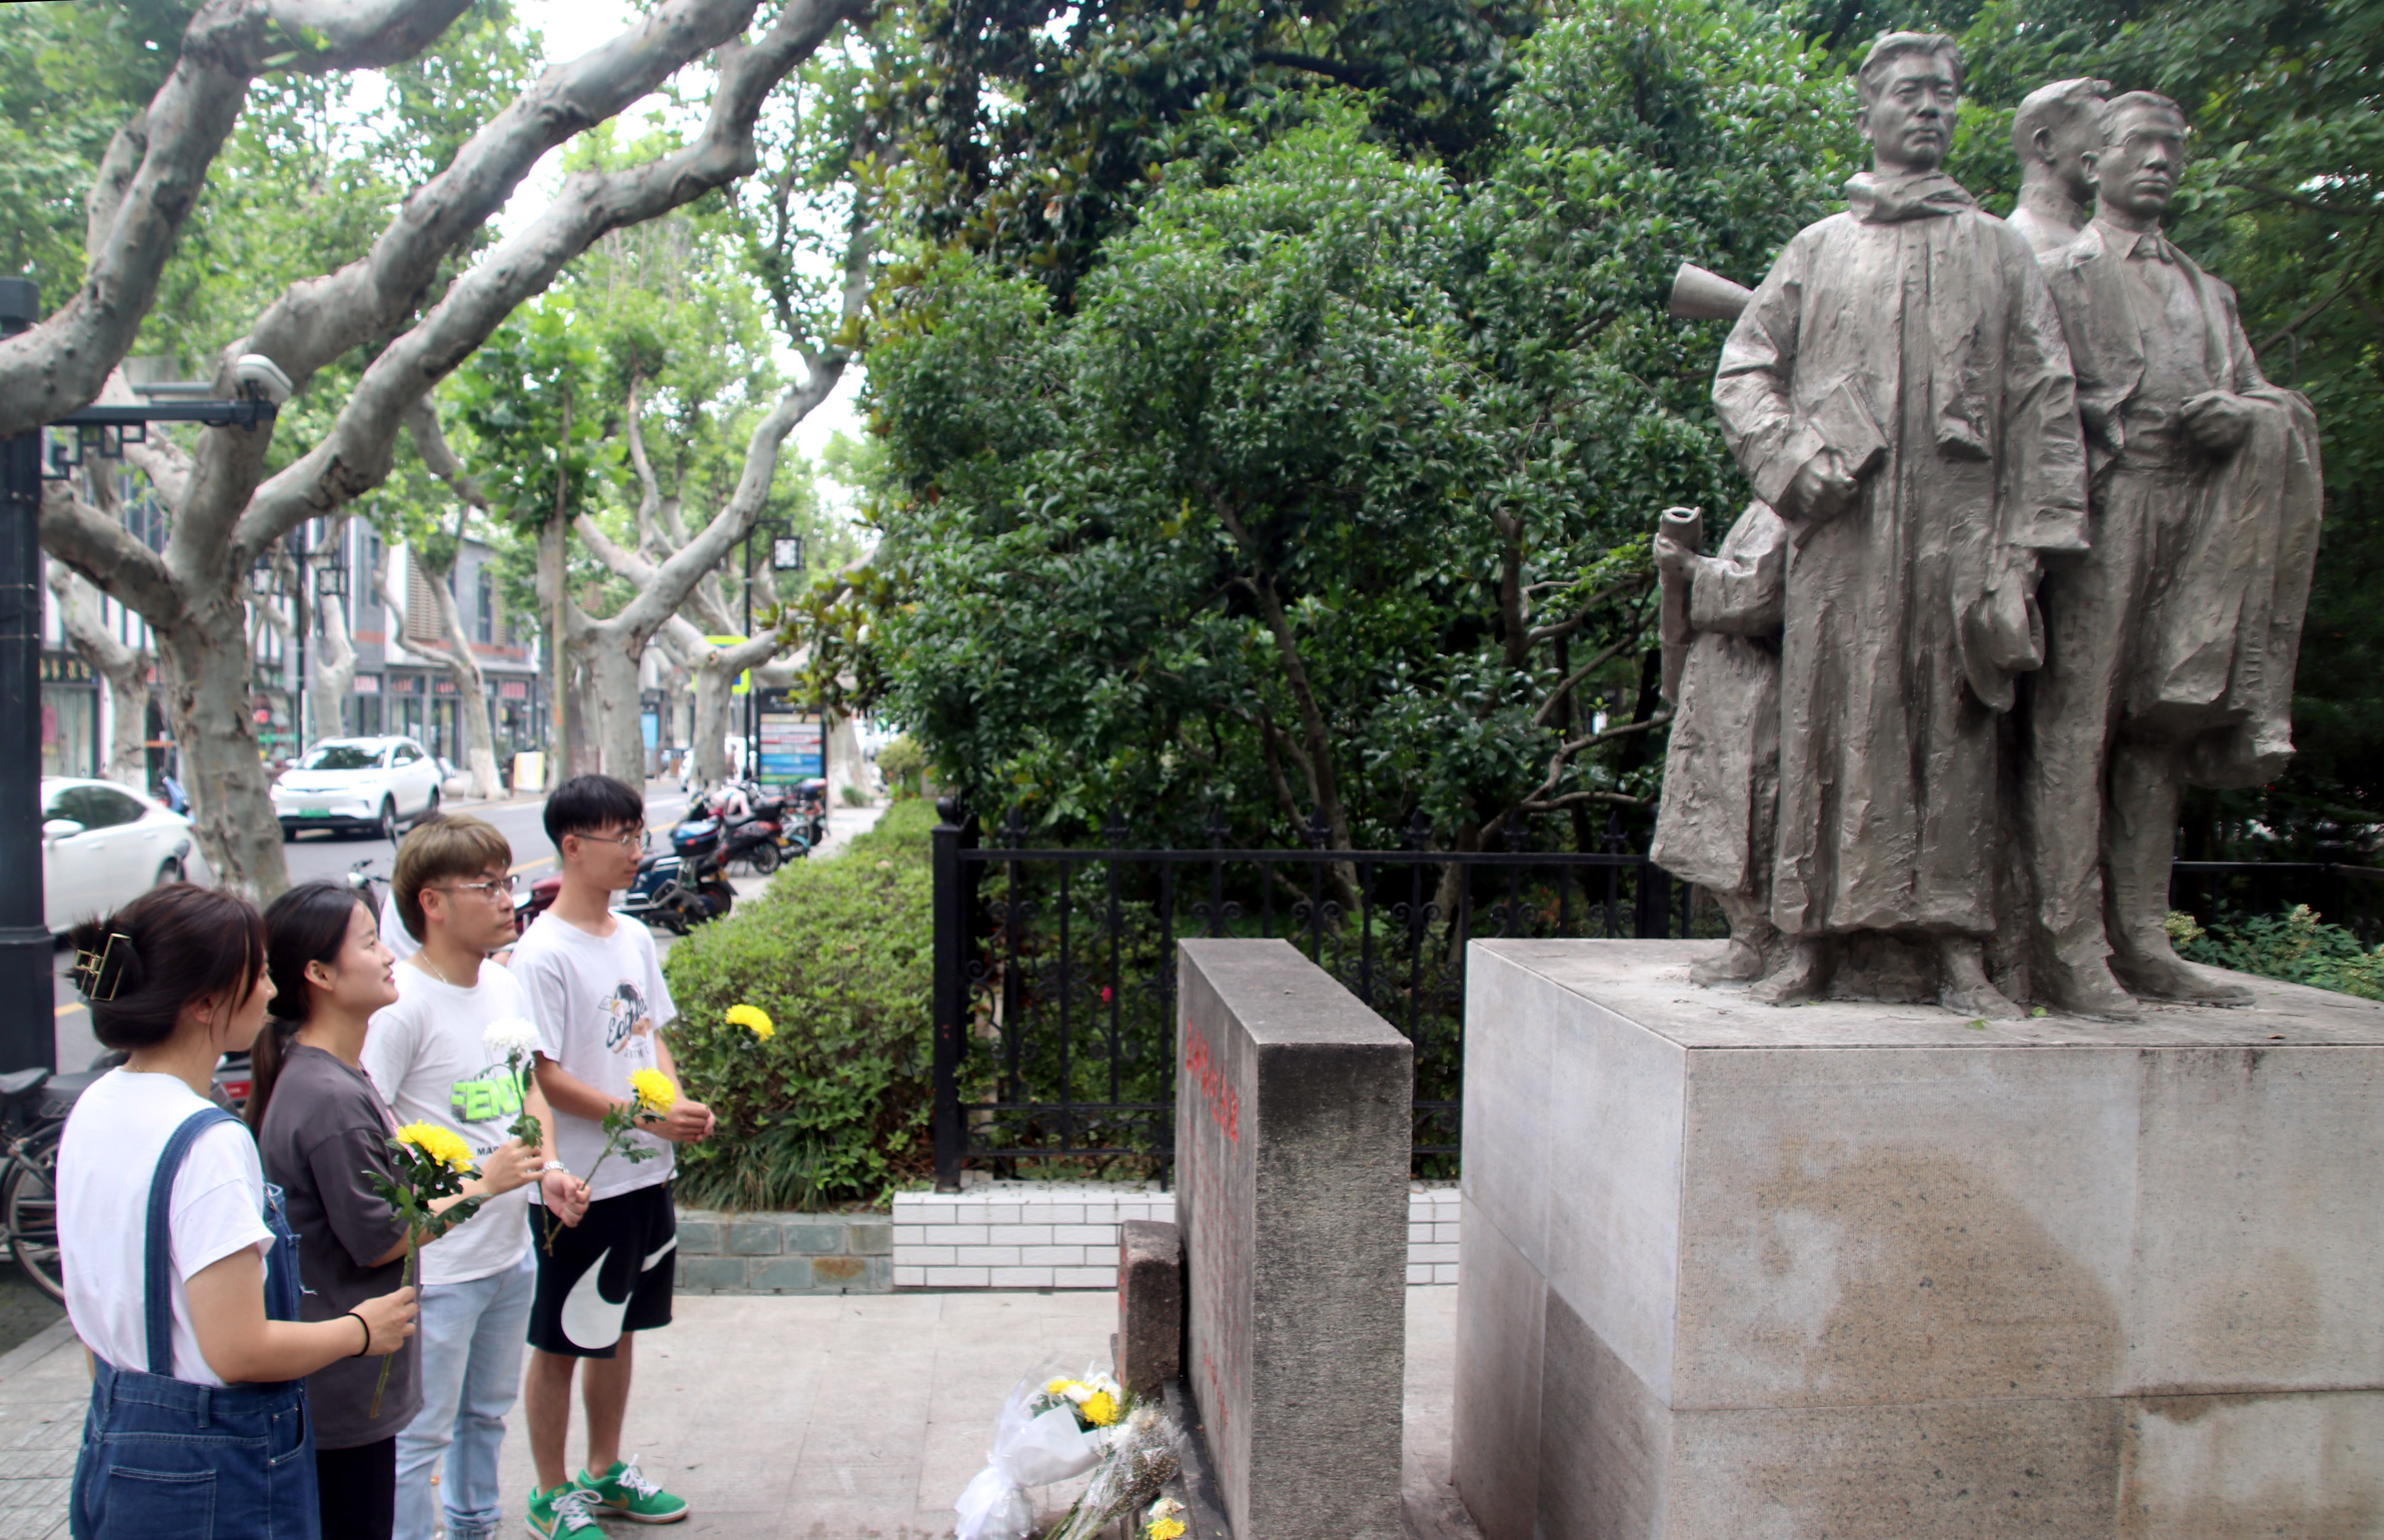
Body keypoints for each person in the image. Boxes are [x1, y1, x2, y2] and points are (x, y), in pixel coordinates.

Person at [1711, 30, 2090, 1015]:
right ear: (1870, 110)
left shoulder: (1998, 250)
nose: (1930, 107)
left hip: (1960, 534)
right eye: (1911, 92)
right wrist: (1791, 463)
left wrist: (2024, 549)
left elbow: (2043, 398)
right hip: (1841, 533)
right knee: (1825, 720)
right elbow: (1746, 367)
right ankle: (1809, 943)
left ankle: (1956, 949)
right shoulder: (1820, 247)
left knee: (1952, 731)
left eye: (1946, 93)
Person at [2028, 91, 2324, 1006]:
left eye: (2173, 148)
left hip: (2199, 523)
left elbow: (2266, 398)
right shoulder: (2057, 269)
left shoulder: (2210, 292)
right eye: (2138, 144)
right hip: (2098, 518)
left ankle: (2142, 939)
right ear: (2096, 161)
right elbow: (2021, 395)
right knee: (2075, 729)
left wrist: (2247, 416)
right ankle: (2066, 944)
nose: (2159, 160)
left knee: (2157, 730)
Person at [57, 884, 418, 1540]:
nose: (268, 989)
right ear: (203, 1004)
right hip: (213, 1461)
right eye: (254, 972)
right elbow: (238, 1349)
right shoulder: (209, 1141)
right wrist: (362, 1331)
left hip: (115, 1431)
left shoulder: (99, 1103)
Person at [249, 883, 542, 1540]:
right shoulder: (327, 1096)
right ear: (320, 975)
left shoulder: (329, 1077)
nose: (388, 956)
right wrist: (482, 1185)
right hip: (344, 1388)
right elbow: (380, 1240)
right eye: (369, 942)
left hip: (349, 1380)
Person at [362, 817, 592, 1540]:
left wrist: (548, 1169)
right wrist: (475, 1186)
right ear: (431, 903)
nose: (506, 899)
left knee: (485, 1418)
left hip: (507, 1252)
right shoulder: (399, 1008)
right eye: (488, 886)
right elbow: (369, 1136)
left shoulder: (500, 984)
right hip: (438, 1268)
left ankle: (474, 1528)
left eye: (507, 883)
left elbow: (526, 1086)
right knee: (420, 1437)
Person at [512, 776, 715, 1536]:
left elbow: (650, 1034)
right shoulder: (542, 955)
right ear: (572, 847)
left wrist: (676, 1107)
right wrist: (644, 1115)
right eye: (621, 838)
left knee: (617, 1326)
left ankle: (605, 1470)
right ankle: (548, 1490)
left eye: (639, 835)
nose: (638, 851)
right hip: (580, 1185)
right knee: (562, 1337)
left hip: (643, 1174)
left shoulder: (631, 935)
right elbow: (546, 1075)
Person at [1650, 502, 1790, 984]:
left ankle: (1761, 939)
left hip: (1753, 686)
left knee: (1750, 809)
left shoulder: (1787, 512)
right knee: (1713, 809)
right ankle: (1748, 935)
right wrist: (1680, 567)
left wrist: (1690, 566)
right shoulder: (1759, 510)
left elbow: (1761, 599)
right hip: (1718, 684)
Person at [2007, 77, 2112, 256]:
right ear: (2047, 144)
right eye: (2100, 136)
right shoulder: (2031, 238)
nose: (2109, 150)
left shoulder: (2077, 234)